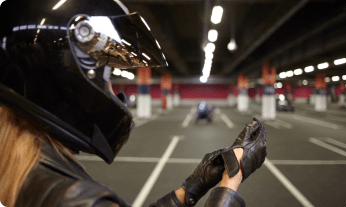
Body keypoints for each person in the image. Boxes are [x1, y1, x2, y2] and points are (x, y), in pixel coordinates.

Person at [0, 0, 267, 206]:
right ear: (63, 77)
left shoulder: (19, 171)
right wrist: (232, 180)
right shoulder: (73, 197)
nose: (114, 92)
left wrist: (193, 187)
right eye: (107, 78)